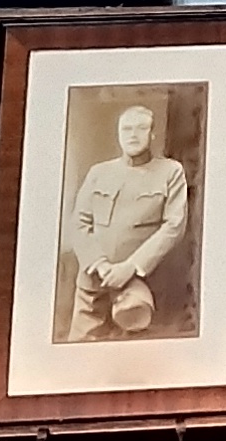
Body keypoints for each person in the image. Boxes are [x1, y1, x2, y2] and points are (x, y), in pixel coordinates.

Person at [63, 102, 189, 340]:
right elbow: (79, 223)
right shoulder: (99, 172)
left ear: (152, 134)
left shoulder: (170, 172)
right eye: (127, 129)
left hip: (143, 287)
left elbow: (174, 226)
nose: (133, 135)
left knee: (139, 354)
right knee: (80, 352)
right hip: (94, 284)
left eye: (141, 128)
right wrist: (100, 265)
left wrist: (131, 267)